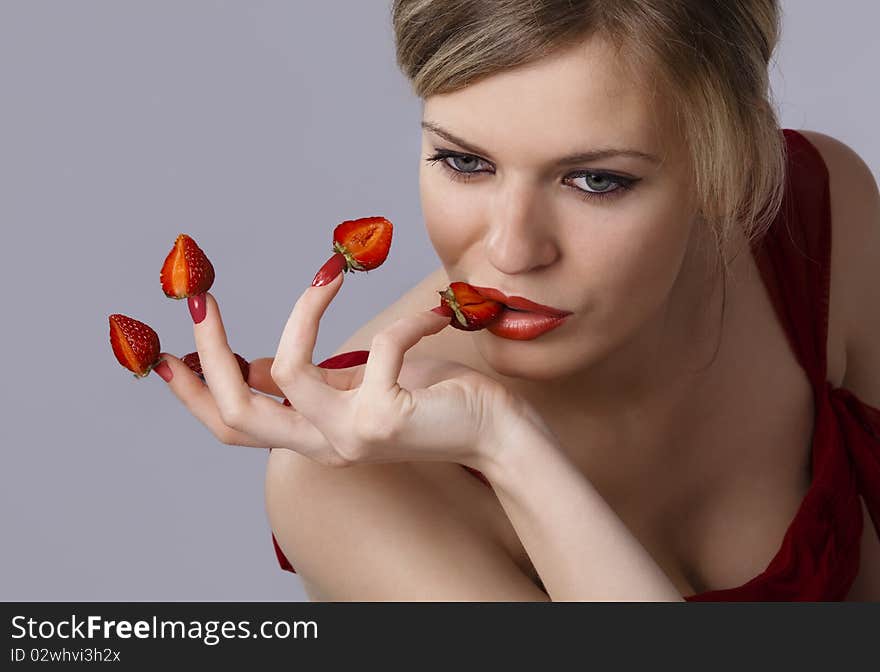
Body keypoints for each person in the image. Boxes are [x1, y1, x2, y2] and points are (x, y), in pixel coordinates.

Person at [152, 0, 880, 601]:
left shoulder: (821, 218)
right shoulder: (347, 481)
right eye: (464, 162)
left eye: (596, 180)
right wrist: (502, 442)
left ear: (734, 166)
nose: (510, 249)